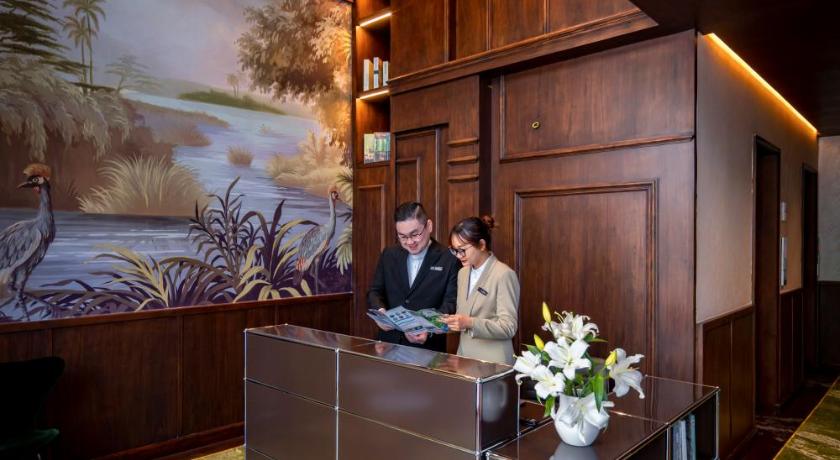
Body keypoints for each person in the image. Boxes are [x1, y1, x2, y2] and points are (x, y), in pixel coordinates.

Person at [367, 202, 461, 352]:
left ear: (429, 226)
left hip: (428, 348)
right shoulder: (389, 254)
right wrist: (380, 311)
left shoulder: (449, 259)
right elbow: (375, 291)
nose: (410, 242)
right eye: (403, 236)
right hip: (388, 344)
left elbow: (450, 303)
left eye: (415, 234)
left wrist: (428, 329)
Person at [443, 216, 519, 364]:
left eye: (462, 250)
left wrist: (470, 323)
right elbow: (463, 316)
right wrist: (442, 323)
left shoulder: (503, 274)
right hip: (464, 360)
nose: (459, 255)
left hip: (494, 362)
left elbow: (509, 327)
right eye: (454, 250)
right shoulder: (462, 273)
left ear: (482, 245)